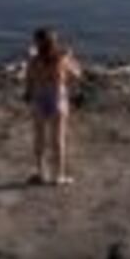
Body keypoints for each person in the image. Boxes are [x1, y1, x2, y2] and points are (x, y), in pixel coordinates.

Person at [24, 27, 81, 186]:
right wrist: (71, 57)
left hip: (39, 99)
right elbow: (77, 73)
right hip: (57, 99)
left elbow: (28, 80)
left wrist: (28, 94)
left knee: (39, 138)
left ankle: (41, 173)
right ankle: (58, 176)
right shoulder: (61, 60)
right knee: (58, 140)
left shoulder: (34, 60)